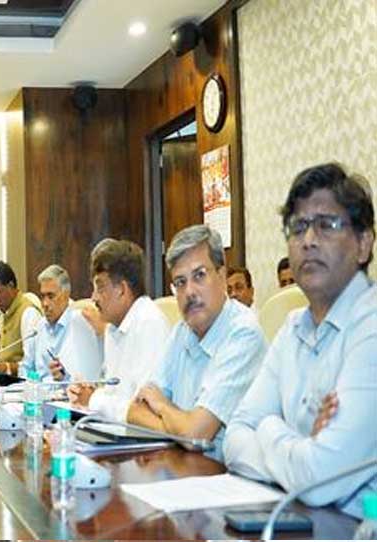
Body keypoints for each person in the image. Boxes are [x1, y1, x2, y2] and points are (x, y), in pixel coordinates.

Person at [224, 163, 377, 519]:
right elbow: (233, 439)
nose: (308, 240)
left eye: (327, 225)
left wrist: (268, 425)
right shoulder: (292, 327)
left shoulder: (371, 325)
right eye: (298, 227)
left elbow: (320, 480)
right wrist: (301, 447)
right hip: (300, 517)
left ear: (363, 244)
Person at [127, 225, 266, 456]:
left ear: (222, 276)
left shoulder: (244, 333)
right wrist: (182, 430)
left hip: (227, 472)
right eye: (180, 282)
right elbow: (135, 412)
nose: (189, 291)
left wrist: (162, 406)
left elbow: (196, 434)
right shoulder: (182, 330)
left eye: (199, 275)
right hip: (182, 464)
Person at [70, 238, 169, 422]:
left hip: (139, 436)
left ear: (122, 289)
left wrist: (94, 399)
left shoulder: (149, 323)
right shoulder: (113, 327)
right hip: (113, 430)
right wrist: (89, 392)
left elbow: (144, 411)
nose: (93, 298)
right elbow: (112, 393)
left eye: (100, 288)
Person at [25, 265, 102, 382]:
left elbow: (86, 376)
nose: (45, 303)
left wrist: (63, 378)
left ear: (66, 295)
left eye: (51, 296)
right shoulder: (39, 327)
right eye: (42, 296)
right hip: (38, 391)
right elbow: (26, 368)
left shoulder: (80, 324)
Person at [0, 261, 40, 375]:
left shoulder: (29, 313)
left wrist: (6, 368)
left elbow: (33, 365)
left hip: (22, 382)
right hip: (4, 379)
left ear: (11, 286)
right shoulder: (3, 313)